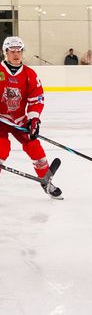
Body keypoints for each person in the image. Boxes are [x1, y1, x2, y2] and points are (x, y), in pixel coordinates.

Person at [0, 37, 61, 199]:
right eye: (12, 51)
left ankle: (46, 181)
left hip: (20, 119)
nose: (16, 54)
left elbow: (36, 98)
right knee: (1, 148)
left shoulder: (29, 74)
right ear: (5, 52)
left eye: (18, 51)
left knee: (34, 146)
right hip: (0, 120)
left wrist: (33, 119)